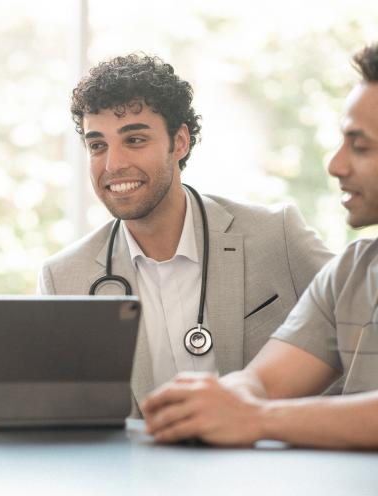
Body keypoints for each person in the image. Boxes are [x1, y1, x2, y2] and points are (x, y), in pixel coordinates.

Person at [39, 54, 333, 407]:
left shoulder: (276, 235)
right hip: (142, 462)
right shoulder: (64, 279)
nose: (113, 165)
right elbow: (63, 410)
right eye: (97, 145)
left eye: (134, 140)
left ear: (179, 142)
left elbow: (362, 327)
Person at [142, 43, 378, 449]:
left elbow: (257, 409)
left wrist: (256, 418)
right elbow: (262, 381)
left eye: (360, 146)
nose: (335, 165)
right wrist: (206, 403)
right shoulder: (351, 274)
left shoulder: (281, 233)